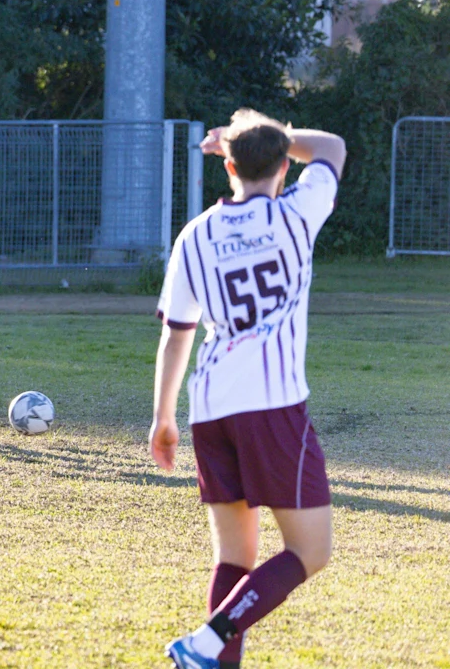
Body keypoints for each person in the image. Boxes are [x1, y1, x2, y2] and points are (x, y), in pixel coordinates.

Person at [150, 109, 347, 669]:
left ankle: (210, 656)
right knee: (311, 551)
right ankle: (207, 644)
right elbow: (331, 145)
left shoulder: (195, 234)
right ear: (285, 166)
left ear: (227, 167)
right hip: (273, 404)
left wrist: (163, 416)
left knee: (235, 557)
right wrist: (257, 139)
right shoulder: (296, 215)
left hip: (209, 407)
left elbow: (176, 334)